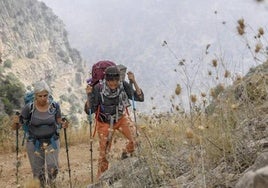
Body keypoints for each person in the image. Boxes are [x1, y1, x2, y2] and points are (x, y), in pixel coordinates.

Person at [85, 65, 144, 179]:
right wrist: (88, 95)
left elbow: (139, 97)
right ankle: (101, 180)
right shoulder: (99, 88)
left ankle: (126, 154)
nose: (113, 84)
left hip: (121, 117)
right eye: (110, 81)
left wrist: (134, 81)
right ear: (106, 79)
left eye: (115, 80)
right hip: (104, 122)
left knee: (136, 137)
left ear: (119, 79)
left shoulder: (123, 85)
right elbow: (90, 110)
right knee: (104, 154)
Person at [12, 80, 68, 187]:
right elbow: (17, 127)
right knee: (38, 174)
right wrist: (15, 122)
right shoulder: (29, 108)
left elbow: (59, 121)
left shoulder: (54, 106)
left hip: (52, 141)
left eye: (45, 95)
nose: (43, 98)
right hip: (34, 143)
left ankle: (51, 185)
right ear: (35, 96)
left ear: (48, 95)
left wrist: (65, 124)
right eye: (40, 96)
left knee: (53, 168)